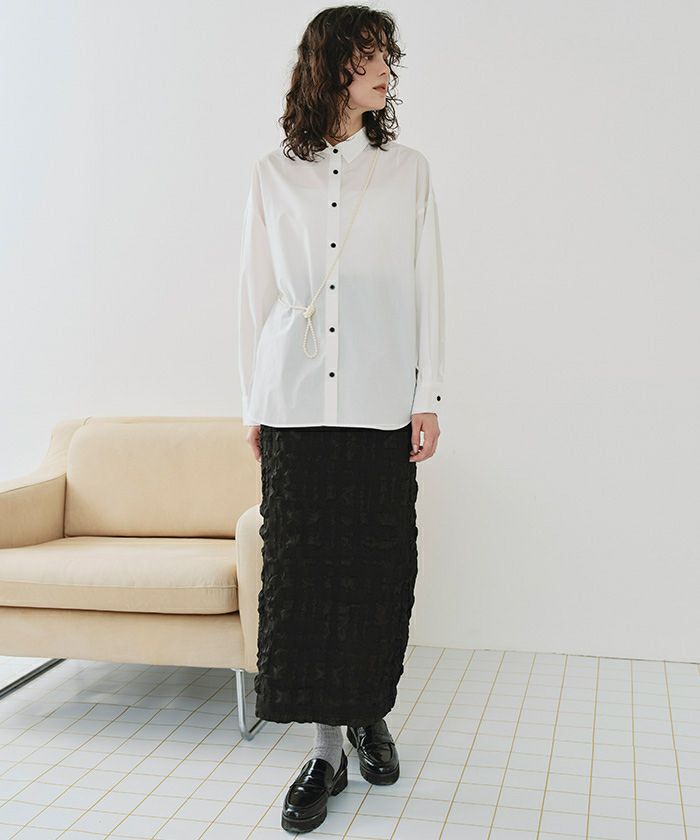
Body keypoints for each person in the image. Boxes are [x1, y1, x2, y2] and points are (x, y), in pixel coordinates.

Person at [237, 5, 445, 833]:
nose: (385, 69)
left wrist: (429, 394)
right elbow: (253, 295)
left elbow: (428, 285)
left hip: (380, 403)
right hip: (294, 403)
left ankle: (368, 714)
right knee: (305, 578)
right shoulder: (272, 174)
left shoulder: (407, 171)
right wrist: (252, 402)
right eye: (367, 56)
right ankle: (325, 752)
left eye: (388, 55)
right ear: (328, 68)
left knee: (374, 571)